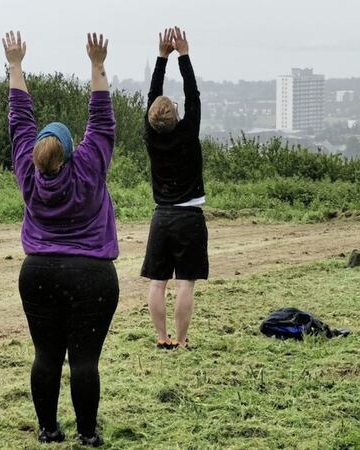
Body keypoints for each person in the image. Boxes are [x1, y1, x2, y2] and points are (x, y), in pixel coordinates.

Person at [5, 30, 118, 447]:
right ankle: (88, 435)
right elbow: (102, 119)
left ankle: (49, 430)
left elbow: (19, 119)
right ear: (71, 151)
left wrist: (15, 64)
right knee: (85, 360)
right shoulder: (89, 166)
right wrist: (96, 64)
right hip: (93, 274)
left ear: (35, 153)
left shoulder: (28, 172)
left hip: (38, 272)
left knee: (46, 355)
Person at [141, 27, 208, 350]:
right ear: (178, 115)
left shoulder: (152, 137)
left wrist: (161, 57)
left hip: (161, 217)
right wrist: (183, 55)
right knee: (186, 283)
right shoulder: (188, 132)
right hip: (190, 216)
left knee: (158, 282)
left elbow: (153, 93)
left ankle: (161, 337)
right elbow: (193, 95)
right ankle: (180, 341)